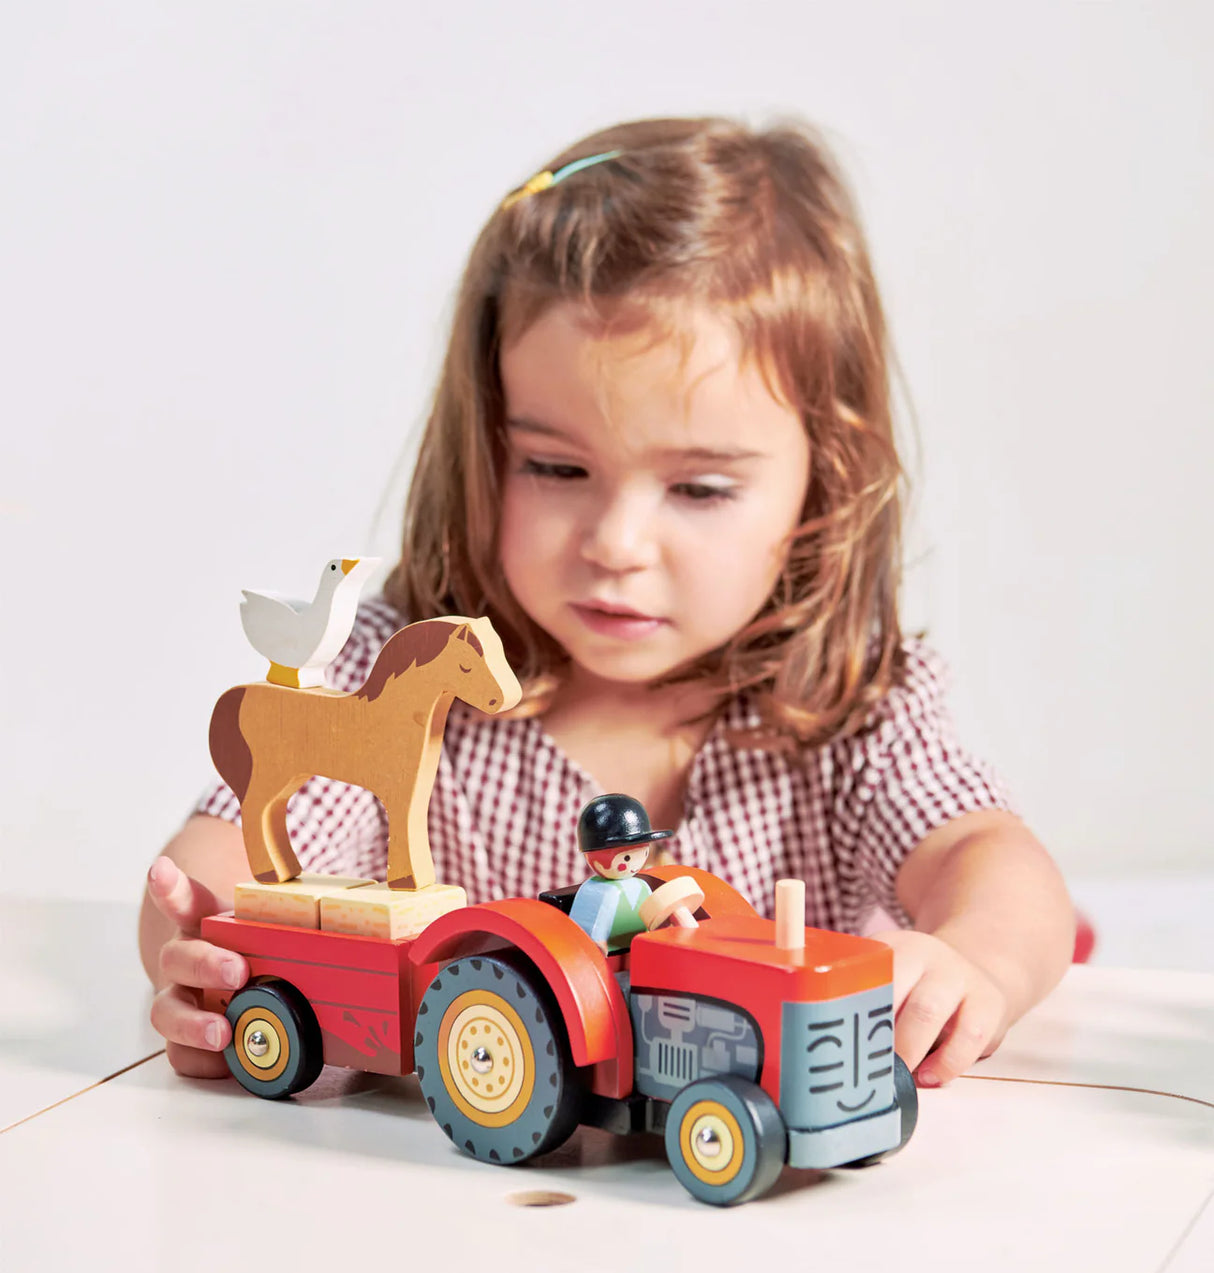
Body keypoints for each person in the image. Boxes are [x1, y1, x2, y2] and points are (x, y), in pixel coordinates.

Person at [139, 115, 1076, 1094]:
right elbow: (220, 846)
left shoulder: (848, 708)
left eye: (699, 489)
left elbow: (992, 861)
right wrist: (201, 953)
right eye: (554, 466)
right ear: (483, 447)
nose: (615, 545)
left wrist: (975, 962)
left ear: (822, 482)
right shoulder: (400, 670)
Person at [570, 794, 673, 952]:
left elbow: (653, 917)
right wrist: (598, 944)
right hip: (605, 955)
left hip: (640, 948)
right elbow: (594, 926)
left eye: (643, 853)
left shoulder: (642, 886)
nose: (633, 865)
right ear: (595, 857)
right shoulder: (599, 892)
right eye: (626, 858)